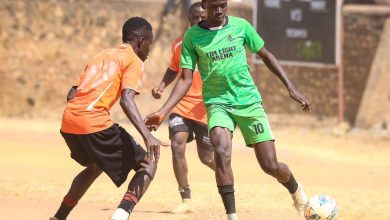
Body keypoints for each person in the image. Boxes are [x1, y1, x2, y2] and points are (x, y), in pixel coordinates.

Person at [144, 0, 311, 220]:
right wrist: (163, 111)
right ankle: (232, 216)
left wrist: (291, 88)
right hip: (217, 103)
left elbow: (266, 55)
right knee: (221, 151)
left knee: (270, 166)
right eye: (214, 6)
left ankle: (297, 192)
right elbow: (184, 80)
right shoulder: (192, 37)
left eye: (223, 4)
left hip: (248, 102)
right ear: (204, 5)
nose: (220, 10)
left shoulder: (241, 27)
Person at [50, 17, 167, 220]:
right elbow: (126, 99)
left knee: (95, 165)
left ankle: (59, 217)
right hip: (93, 122)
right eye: (149, 43)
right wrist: (147, 135)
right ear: (140, 41)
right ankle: (121, 216)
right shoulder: (133, 60)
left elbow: (72, 93)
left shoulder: (100, 56)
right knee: (148, 164)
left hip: (69, 123)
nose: (149, 49)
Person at [151, 2, 215, 214]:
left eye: (201, 17)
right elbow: (173, 68)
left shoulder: (215, 42)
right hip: (182, 106)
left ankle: (227, 176)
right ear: (189, 20)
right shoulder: (179, 44)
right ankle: (185, 198)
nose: (198, 21)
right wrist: (161, 86)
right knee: (177, 145)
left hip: (205, 108)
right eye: (194, 18)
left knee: (207, 158)